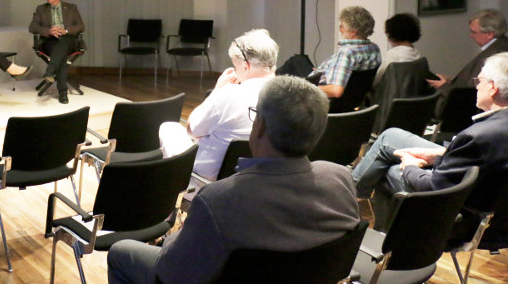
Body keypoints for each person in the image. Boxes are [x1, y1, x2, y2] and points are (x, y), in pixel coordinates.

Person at [107, 76, 360, 284]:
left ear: (258, 126)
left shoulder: (220, 198)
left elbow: (172, 273)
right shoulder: (339, 177)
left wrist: (173, 238)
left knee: (121, 251)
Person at [354, 52, 508, 225]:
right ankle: (353, 197)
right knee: (390, 136)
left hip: (458, 212)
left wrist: (410, 166)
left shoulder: (477, 136)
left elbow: (433, 187)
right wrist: (439, 154)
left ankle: (388, 243)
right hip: (490, 206)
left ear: (493, 88)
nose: (477, 86)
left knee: (385, 171)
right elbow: (484, 157)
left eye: (479, 81)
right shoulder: (491, 132)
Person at [158, 29, 277, 187]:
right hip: (260, 181)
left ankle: (167, 190)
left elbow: (192, 130)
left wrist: (217, 90)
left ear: (246, 67)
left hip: (205, 183)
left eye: (235, 66)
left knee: (169, 128)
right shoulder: (289, 95)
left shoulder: (229, 93)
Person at [428, 8, 508, 95]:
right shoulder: (501, 45)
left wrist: (445, 86)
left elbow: (473, 90)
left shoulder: (494, 54)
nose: (471, 36)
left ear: (489, 34)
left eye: (474, 32)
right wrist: (450, 80)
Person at [28, 0, 85, 104]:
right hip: (51, 40)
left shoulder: (71, 8)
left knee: (63, 45)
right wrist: (49, 31)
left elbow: (80, 26)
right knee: (61, 55)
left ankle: (50, 70)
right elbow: (32, 27)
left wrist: (65, 31)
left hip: (69, 39)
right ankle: (62, 92)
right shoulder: (41, 9)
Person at [308, 6, 381, 98]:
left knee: (293, 64)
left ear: (353, 32)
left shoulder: (347, 53)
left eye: (342, 26)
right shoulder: (374, 48)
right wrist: (326, 70)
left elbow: (336, 91)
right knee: (298, 61)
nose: (340, 29)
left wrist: (305, 87)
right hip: (355, 99)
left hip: (323, 98)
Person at [373, 12, 423, 87]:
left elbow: (377, 80)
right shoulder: (416, 53)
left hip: (391, 95)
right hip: (411, 94)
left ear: (392, 35)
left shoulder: (393, 55)